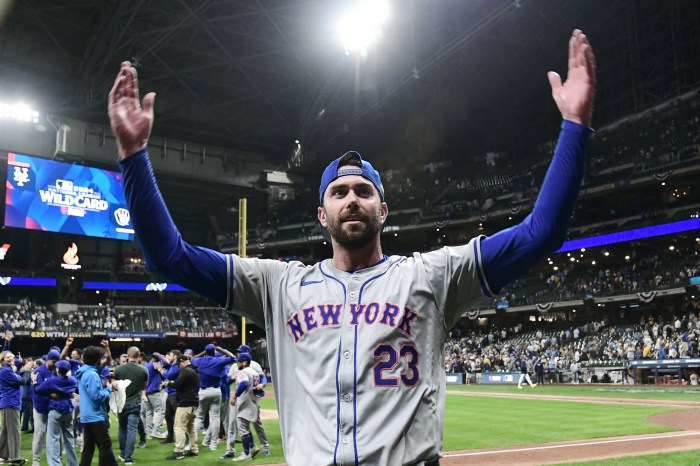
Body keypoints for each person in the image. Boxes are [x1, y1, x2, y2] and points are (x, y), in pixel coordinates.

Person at [109, 29, 596, 465]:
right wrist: (133, 157)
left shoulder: (432, 276)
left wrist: (574, 124)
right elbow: (168, 256)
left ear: (383, 211)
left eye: (364, 192)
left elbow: (542, 232)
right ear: (323, 215)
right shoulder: (279, 285)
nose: (352, 200)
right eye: (339, 193)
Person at [75, 346, 118, 466]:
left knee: (88, 448)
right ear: (97, 359)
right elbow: (96, 396)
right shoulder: (92, 374)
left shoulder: (84, 372)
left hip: (86, 415)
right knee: (105, 445)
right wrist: (108, 389)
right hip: (95, 416)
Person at [34, 360, 79, 466]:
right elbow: (70, 392)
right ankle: (73, 463)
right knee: (69, 438)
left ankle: (55, 464)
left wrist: (34, 382)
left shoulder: (52, 381)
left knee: (53, 439)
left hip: (56, 410)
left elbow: (38, 390)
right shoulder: (72, 380)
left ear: (58, 369)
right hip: (68, 410)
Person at [191, 344, 235, 451]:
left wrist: (203, 352)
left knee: (199, 417)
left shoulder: (200, 361)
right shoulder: (218, 360)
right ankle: (213, 444)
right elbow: (233, 357)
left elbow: (192, 359)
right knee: (215, 418)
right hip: (216, 391)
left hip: (203, 391)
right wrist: (221, 349)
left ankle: (193, 442)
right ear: (214, 352)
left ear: (206, 352)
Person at [114, 347, 148, 465]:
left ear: (128, 356)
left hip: (122, 403)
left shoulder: (119, 369)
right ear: (138, 356)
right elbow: (144, 387)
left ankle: (123, 454)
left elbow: (115, 385)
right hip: (135, 403)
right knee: (132, 430)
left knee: (122, 429)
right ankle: (128, 458)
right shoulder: (143, 370)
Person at [164, 354, 199, 460]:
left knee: (179, 428)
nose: (179, 367)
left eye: (179, 364)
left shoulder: (185, 371)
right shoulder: (194, 371)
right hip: (194, 404)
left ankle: (178, 452)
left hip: (185, 403)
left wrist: (169, 384)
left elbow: (178, 384)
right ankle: (194, 449)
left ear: (182, 362)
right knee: (190, 428)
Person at [30, 350, 61, 466]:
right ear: (47, 359)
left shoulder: (56, 371)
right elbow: (37, 391)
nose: (55, 364)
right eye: (53, 361)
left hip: (53, 407)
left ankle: (54, 459)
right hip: (40, 407)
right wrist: (53, 394)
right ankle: (35, 460)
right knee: (39, 433)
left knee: (54, 435)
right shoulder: (39, 371)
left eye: (57, 362)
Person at [230, 353, 262, 461]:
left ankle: (246, 453)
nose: (237, 363)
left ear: (244, 362)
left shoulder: (244, 371)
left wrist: (235, 396)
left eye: (239, 361)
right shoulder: (254, 372)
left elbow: (243, 383)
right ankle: (252, 447)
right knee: (245, 428)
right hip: (253, 403)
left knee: (242, 428)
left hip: (246, 404)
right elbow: (259, 391)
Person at [0, 351, 26, 465]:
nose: (10, 358)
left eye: (11, 356)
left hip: (9, 403)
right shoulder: (5, 371)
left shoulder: (8, 370)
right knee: (14, 431)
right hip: (11, 403)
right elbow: (21, 381)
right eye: (7, 357)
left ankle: (3, 455)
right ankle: (14, 457)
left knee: (6, 431)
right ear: (2, 360)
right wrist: (27, 371)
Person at [143, 354, 166, 439]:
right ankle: (155, 431)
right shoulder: (154, 365)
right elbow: (164, 374)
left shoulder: (146, 365)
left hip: (146, 391)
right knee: (161, 410)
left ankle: (148, 432)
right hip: (153, 391)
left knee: (149, 411)